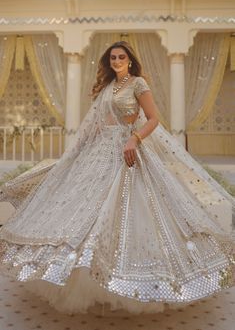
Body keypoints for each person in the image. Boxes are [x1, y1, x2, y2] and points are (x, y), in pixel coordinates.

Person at [0, 41, 235, 315]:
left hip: (128, 152)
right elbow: (95, 126)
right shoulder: (108, 88)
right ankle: (88, 278)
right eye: (112, 57)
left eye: (121, 56)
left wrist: (134, 139)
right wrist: (75, 155)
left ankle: (140, 280)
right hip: (99, 154)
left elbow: (153, 119)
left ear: (130, 60)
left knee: (131, 214)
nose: (116, 60)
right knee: (85, 212)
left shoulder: (138, 85)